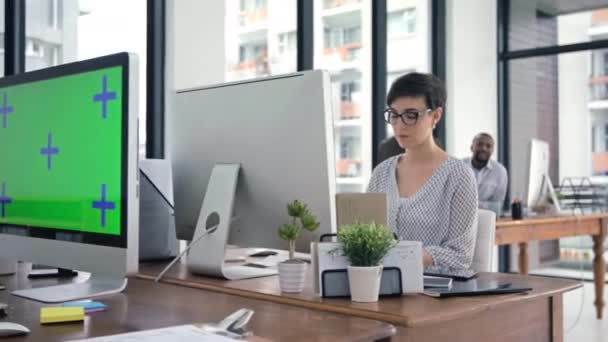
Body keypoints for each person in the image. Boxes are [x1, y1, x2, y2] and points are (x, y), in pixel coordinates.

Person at [367, 72, 478, 272]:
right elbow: (366, 235)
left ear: (435, 116)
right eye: (394, 115)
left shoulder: (458, 176)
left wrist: (404, 256)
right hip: (380, 287)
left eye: (411, 115)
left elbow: (460, 255)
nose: (400, 125)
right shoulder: (381, 173)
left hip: (434, 294)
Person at [463, 133, 508, 214]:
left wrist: (470, 204)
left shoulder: (500, 172)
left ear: (492, 151)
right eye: (480, 144)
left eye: (488, 146)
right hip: (460, 218)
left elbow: (497, 207)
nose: (484, 148)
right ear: (471, 147)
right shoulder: (460, 167)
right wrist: (486, 205)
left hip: (486, 219)